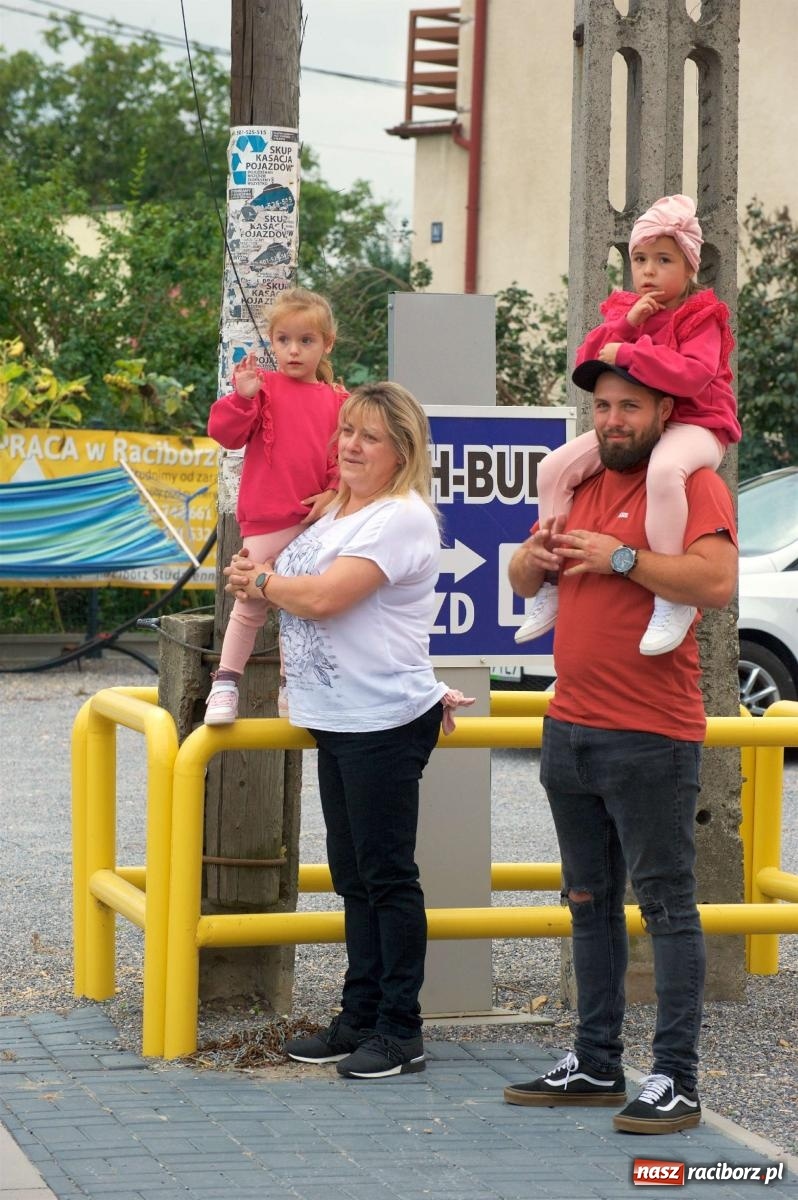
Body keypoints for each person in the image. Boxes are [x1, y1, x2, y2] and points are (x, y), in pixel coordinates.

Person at [503, 359, 737, 1134]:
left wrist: (622, 558)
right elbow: (517, 569)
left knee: (667, 908)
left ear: (663, 411)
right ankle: (596, 1062)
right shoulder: (579, 481)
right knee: (586, 904)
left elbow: (714, 581)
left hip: (650, 736)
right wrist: (528, 563)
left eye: (628, 407)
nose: (611, 420)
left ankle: (676, 1079)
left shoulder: (691, 482)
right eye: (601, 406)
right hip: (568, 726)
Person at [223, 381, 472, 1079]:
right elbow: (293, 572)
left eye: (369, 436)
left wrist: (262, 584)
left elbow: (329, 598)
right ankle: (357, 1018)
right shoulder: (336, 510)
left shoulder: (402, 518)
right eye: (346, 432)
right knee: (354, 878)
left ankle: (400, 1031)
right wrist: (261, 573)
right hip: (336, 717)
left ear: (403, 450)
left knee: (388, 877)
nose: (350, 446)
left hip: (383, 718)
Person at [516, 194, 740, 656]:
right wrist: (623, 329)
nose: (650, 271)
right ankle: (552, 578)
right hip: (646, 427)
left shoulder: (702, 317)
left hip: (699, 425)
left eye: (664, 259)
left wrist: (631, 352)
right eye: (640, 259)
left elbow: (693, 377)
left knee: (662, 472)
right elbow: (585, 361)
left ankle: (670, 598)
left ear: (690, 268)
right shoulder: (625, 313)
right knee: (553, 468)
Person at [205, 287, 347, 724]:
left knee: (301, 606)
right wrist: (243, 397)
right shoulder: (261, 388)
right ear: (270, 341)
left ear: (327, 343)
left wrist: (332, 494)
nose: (294, 350)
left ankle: (293, 686)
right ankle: (225, 683)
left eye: (306, 340)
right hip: (267, 519)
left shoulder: (339, 399)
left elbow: (344, 458)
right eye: (283, 340)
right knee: (250, 603)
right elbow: (224, 434)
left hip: (315, 521)